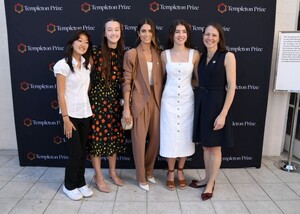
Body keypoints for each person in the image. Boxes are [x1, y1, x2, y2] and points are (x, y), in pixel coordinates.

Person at [190, 23, 236, 201]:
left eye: (214, 35)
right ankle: (206, 178)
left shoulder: (228, 56)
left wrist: (223, 114)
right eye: (207, 35)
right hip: (202, 102)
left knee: (215, 147)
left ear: (220, 38)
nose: (210, 38)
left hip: (217, 104)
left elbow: (231, 87)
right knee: (206, 146)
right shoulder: (200, 57)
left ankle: (211, 183)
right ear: (203, 36)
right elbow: (197, 82)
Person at [122, 18, 163, 191]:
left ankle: (149, 171)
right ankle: (141, 177)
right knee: (138, 141)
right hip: (139, 102)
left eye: (150, 31)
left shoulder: (159, 53)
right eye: (143, 31)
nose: (147, 34)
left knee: (156, 139)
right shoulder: (131, 54)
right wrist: (126, 108)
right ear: (138, 33)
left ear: (153, 34)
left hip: (157, 100)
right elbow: (127, 81)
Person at [159, 20, 200, 191]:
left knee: (184, 136)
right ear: (172, 35)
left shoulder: (194, 54)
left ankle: (181, 171)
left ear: (187, 35)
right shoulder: (164, 55)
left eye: (184, 31)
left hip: (187, 102)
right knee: (169, 136)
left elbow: (197, 79)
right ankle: (170, 172)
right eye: (177, 31)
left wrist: (186, 88)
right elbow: (161, 79)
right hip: (167, 101)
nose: (181, 35)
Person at [87, 18, 126, 193]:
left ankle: (112, 172)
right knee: (96, 140)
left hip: (114, 103)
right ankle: (98, 176)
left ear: (120, 32)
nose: (113, 33)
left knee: (113, 139)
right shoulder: (94, 52)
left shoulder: (123, 54)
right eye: (109, 30)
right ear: (104, 33)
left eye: (116, 30)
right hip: (96, 102)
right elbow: (85, 78)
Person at [54, 30, 94, 201]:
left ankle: (80, 182)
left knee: (82, 152)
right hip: (70, 116)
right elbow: (60, 95)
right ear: (72, 43)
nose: (83, 44)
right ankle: (69, 185)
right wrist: (65, 118)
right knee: (75, 153)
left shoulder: (87, 64)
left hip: (85, 113)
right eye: (79, 40)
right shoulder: (62, 65)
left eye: (86, 42)